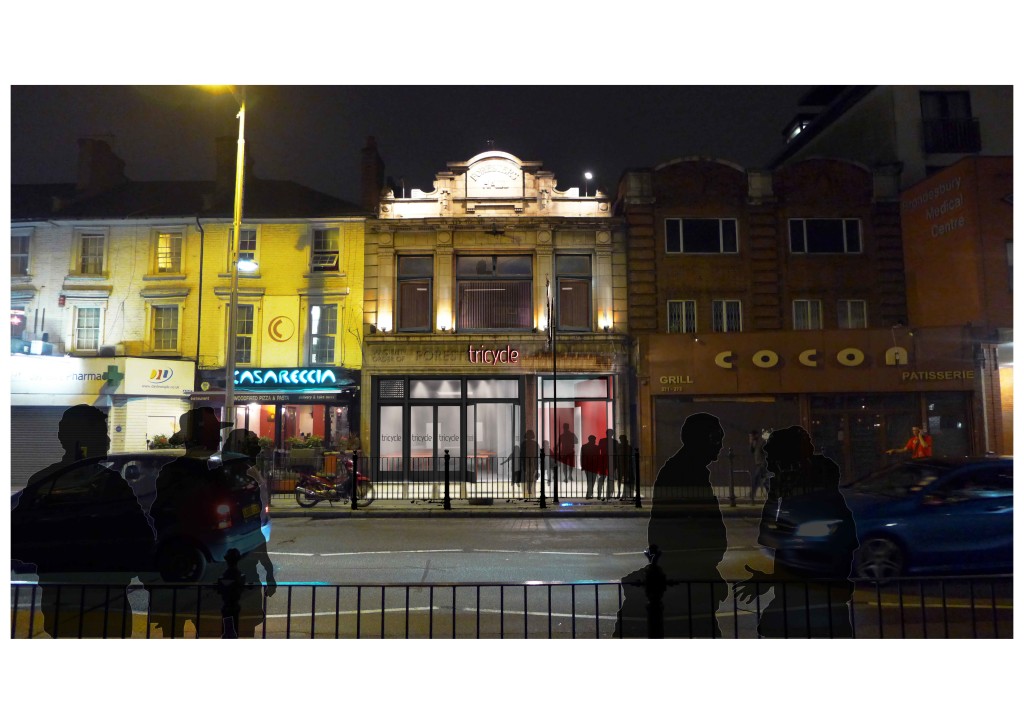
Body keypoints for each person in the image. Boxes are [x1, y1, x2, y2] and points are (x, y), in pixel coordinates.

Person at [12, 404, 155, 638]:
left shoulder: (52, 481)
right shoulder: (102, 484)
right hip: (88, 600)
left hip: (77, 599)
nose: (108, 439)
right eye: (101, 432)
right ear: (77, 439)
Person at [734, 426, 859, 638]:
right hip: (793, 608)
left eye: (778, 464)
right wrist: (773, 497)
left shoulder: (823, 506)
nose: (774, 471)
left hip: (818, 614)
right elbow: (767, 537)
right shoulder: (793, 505)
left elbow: (815, 562)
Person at [616, 413, 729, 637]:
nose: (720, 446)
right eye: (716, 438)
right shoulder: (684, 472)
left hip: (690, 575)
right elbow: (680, 526)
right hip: (687, 579)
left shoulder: (688, 469)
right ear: (701, 439)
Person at [147, 406, 232, 638]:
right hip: (185, 582)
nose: (218, 438)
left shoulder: (214, 467)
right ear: (198, 436)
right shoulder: (182, 472)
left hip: (207, 585)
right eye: (214, 433)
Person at [223, 429, 277, 638]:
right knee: (236, 623)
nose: (258, 449)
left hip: (244, 570)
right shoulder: (238, 475)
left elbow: (256, 533)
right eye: (253, 446)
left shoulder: (249, 473)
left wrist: (269, 571)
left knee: (244, 624)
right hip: (232, 570)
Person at [749, 428, 770, 502]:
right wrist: (751, 444)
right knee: (764, 481)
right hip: (759, 464)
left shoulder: (761, 442)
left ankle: (752, 494)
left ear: (756, 435)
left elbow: (764, 450)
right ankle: (770, 494)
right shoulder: (754, 443)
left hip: (762, 464)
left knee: (756, 478)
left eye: (751, 436)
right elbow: (751, 451)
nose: (750, 438)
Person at [597, 429, 616, 501]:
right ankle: (608, 495)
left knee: (602, 478)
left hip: (604, 461)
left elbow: (599, 450)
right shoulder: (614, 442)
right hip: (608, 461)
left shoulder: (602, 441)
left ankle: (601, 494)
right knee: (609, 479)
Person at [581, 435, 600, 499]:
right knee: (592, 480)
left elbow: (582, 457)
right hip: (594, 465)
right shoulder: (596, 447)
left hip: (587, 465)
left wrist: (583, 465)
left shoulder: (584, 447)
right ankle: (589, 494)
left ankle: (589, 494)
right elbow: (598, 457)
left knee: (589, 480)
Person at [521, 430, 539, 499]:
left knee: (529, 474)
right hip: (530, 460)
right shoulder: (534, 443)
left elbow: (522, 453)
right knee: (530, 475)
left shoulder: (524, 443)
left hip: (530, 460)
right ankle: (529, 488)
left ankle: (529, 488)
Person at [617, 434, 633, 500]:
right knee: (620, 479)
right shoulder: (620, 446)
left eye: (621, 439)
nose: (621, 441)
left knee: (624, 479)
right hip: (621, 464)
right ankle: (620, 492)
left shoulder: (627, 447)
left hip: (625, 464)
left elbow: (629, 456)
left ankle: (624, 493)